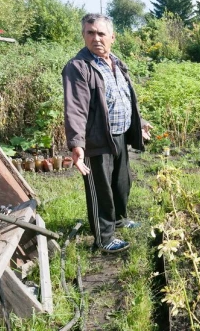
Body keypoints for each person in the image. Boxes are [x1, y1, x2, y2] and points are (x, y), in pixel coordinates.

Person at [63, 13, 152, 253]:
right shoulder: (78, 67)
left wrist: (139, 123)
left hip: (120, 134)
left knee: (121, 183)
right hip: (97, 139)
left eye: (101, 33)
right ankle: (104, 238)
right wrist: (77, 144)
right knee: (100, 190)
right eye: (90, 33)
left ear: (112, 37)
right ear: (83, 35)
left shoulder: (116, 62)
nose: (96, 38)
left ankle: (120, 219)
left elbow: (123, 97)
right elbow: (75, 108)